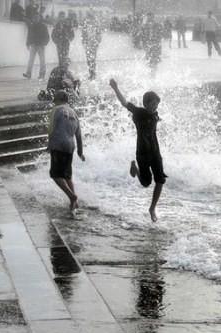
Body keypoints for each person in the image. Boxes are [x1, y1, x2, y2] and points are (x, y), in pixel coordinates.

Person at [109, 78, 167, 223]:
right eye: (153, 104)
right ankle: (135, 169)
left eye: (156, 104)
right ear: (146, 103)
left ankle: (152, 208)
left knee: (160, 180)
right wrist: (116, 88)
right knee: (146, 183)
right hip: (142, 153)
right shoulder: (139, 113)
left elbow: (154, 124)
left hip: (155, 152)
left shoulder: (155, 114)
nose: (155, 107)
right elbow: (124, 103)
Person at [47, 90, 85, 212]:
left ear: (58, 99)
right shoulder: (74, 112)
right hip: (70, 146)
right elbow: (79, 135)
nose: (54, 102)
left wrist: (50, 143)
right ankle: (75, 203)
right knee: (67, 175)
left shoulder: (57, 109)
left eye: (55, 99)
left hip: (58, 144)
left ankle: (72, 196)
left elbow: (51, 128)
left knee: (55, 174)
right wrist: (80, 151)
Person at [24, 14, 50, 79]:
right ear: (33, 19)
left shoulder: (43, 26)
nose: (35, 19)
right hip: (33, 45)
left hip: (40, 45)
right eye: (34, 18)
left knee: (42, 60)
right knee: (31, 60)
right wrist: (28, 43)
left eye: (37, 18)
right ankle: (28, 73)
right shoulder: (31, 26)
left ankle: (42, 74)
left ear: (39, 19)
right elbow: (29, 35)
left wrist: (44, 43)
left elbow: (47, 36)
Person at [81, 11, 103, 80]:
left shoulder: (96, 26)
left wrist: (97, 42)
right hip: (88, 45)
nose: (90, 20)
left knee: (92, 59)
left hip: (93, 45)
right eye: (89, 18)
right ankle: (91, 73)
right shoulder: (85, 26)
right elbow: (83, 35)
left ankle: (93, 73)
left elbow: (99, 35)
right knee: (88, 60)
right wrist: (84, 42)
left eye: (91, 18)